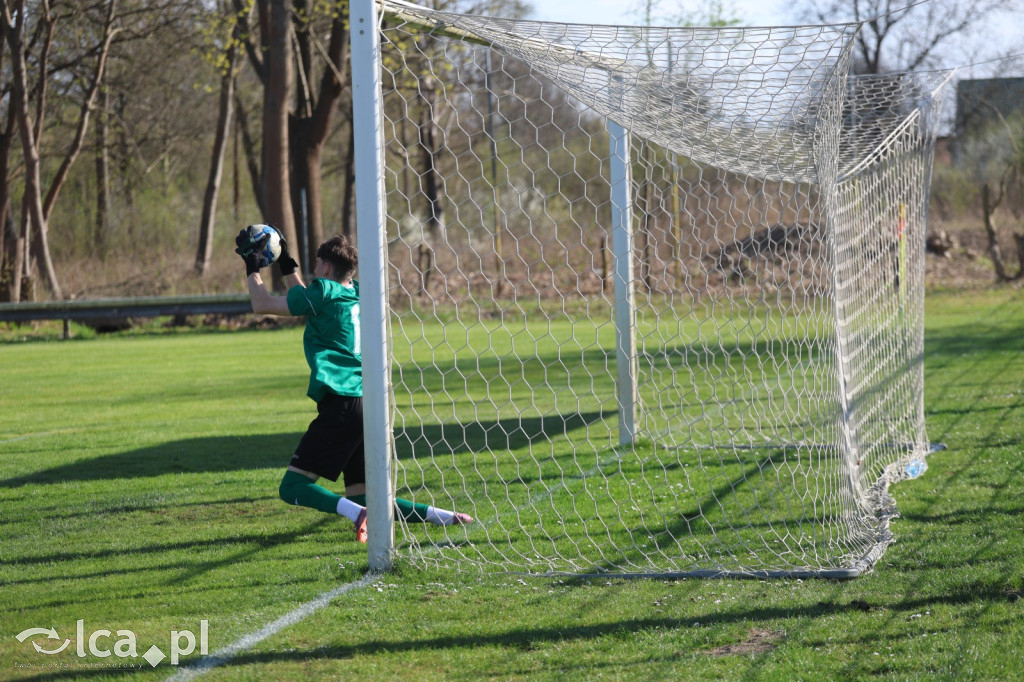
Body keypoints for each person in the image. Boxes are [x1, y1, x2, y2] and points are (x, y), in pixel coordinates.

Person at [237, 228, 473, 543]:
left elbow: (261, 303)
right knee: (364, 497)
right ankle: (443, 516)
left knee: (292, 487)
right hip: (368, 402)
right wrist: (286, 264)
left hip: (342, 404)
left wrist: (252, 265)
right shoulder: (358, 292)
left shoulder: (321, 291)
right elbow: (310, 298)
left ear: (324, 268)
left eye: (317, 266)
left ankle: (354, 515)